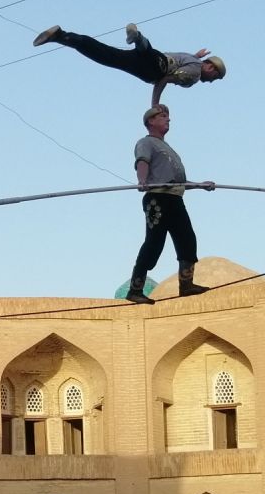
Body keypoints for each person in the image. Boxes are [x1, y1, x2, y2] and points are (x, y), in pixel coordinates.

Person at [126, 104, 214, 303]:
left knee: (187, 239)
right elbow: (142, 162)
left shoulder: (169, 149)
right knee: (154, 243)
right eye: (163, 116)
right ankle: (135, 289)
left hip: (175, 198)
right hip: (158, 198)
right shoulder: (146, 143)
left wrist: (200, 185)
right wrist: (142, 180)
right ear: (151, 121)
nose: (168, 119)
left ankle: (186, 284)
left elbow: (178, 182)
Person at [33, 23, 225, 106]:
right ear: (210, 67)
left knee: (106, 54)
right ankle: (138, 38)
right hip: (154, 69)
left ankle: (61, 36)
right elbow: (165, 78)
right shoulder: (194, 76)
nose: (210, 81)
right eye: (214, 77)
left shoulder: (193, 60)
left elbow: (188, 62)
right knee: (143, 56)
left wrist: (197, 55)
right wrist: (155, 104)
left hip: (150, 59)